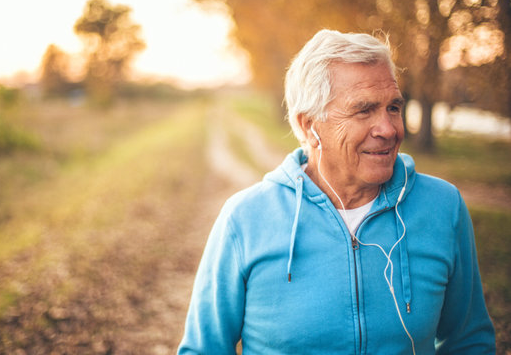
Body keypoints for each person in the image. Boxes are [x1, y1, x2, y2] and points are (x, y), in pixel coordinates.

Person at [177, 30, 496, 354]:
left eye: (393, 108)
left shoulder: (443, 207)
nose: (388, 129)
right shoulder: (245, 219)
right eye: (364, 110)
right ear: (308, 126)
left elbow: (469, 341)